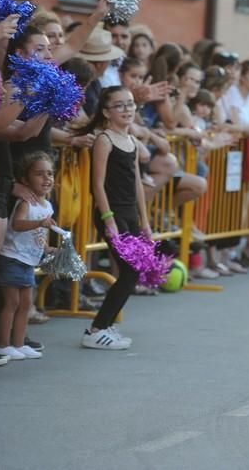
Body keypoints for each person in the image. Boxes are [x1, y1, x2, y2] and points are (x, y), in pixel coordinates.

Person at [77, 86, 150, 350]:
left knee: (133, 272)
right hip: (112, 213)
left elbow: (138, 184)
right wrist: (108, 219)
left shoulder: (131, 140)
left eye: (130, 104)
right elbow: (97, 185)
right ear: (107, 112)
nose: (127, 109)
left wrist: (145, 221)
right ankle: (97, 328)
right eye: (120, 105)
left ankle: (105, 325)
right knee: (130, 272)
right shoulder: (104, 140)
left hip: (130, 213)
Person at [0, 152, 55, 360]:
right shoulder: (25, 203)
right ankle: (3, 344)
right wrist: (39, 223)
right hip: (12, 258)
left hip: (28, 261)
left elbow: (39, 234)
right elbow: (17, 225)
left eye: (50, 173)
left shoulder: (47, 205)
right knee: (11, 303)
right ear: (25, 180)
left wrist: (47, 248)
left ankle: (18, 344)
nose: (46, 178)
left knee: (26, 304)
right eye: (39, 174)